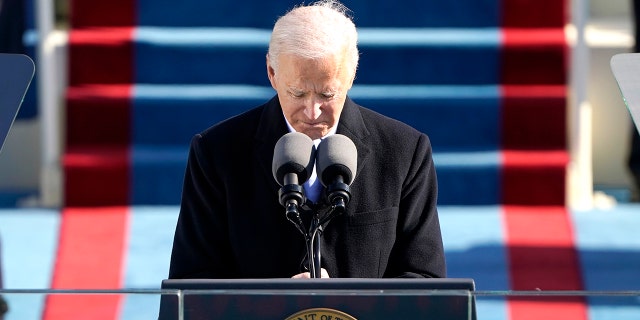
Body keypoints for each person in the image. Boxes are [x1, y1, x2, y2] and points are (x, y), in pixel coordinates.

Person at [168, 0, 446, 279]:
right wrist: (277, 305)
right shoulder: (216, 153)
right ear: (272, 74)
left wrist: (346, 304)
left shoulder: (405, 152)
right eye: (297, 93)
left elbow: (427, 284)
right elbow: (191, 285)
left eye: (327, 95)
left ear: (351, 76)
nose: (313, 112)